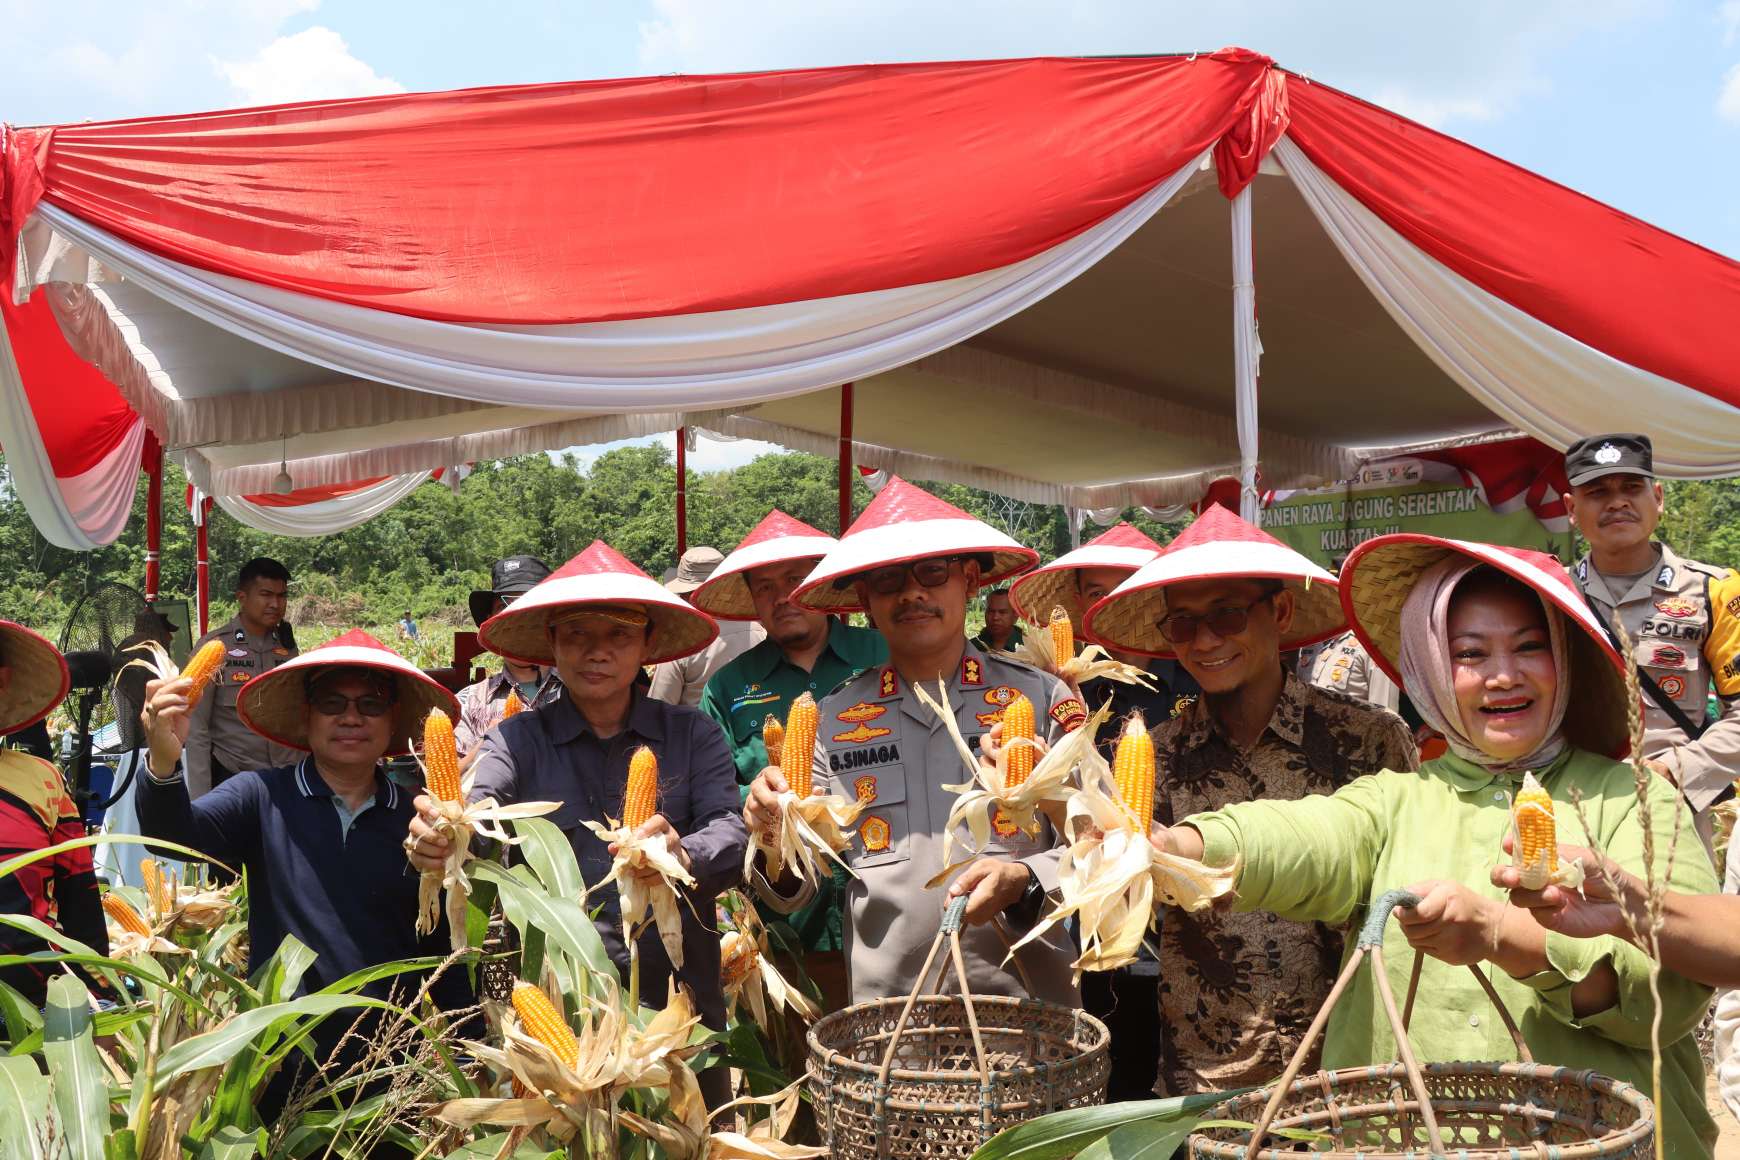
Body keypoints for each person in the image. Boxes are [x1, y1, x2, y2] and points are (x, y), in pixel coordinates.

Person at [1145, 533, 1718, 1158]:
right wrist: (1179, 845)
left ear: (1565, 660)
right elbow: (1303, 837)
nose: (1503, 675)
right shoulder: (1394, 800)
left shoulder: (1633, 799)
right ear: (1428, 670)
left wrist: (1509, 941)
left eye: (1530, 647)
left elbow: (1671, 999)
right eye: (1470, 654)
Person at [1081, 505, 1417, 1099]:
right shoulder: (1157, 754)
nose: (1204, 641)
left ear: (1280, 612)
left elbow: (1406, 891)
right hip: (1207, 1072)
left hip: (1346, 1071)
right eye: (1182, 624)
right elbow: (1119, 905)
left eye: (1227, 615)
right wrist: (1059, 798)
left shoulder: (1368, 739)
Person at [405, 541, 748, 1103]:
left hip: (678, 1003)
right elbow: (480, 811)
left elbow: (729, 833)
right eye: (577, 635)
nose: (597, 652)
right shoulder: (514, 742)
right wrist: (443, 838)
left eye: (618, 635)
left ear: (649, 644)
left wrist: (681, 857)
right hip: (562, 1008)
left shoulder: (693, 734)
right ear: (552, 644)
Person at [745, 477, 1085, 1007]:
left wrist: (1026, 876)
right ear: (863, 600)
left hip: (1027, 1008)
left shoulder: (1041, 699)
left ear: (969, 580)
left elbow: (1101, 843)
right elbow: (796, 891)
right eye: (887, 580)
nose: (912, 593)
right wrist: (770, 834)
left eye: (932, 572)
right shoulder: (831, 721)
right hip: (889, 1022)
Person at [136, 629, 473, 1116]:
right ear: (306, 715)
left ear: (394, 718)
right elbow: (178, 838)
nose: (351, 717)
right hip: (277, 1063)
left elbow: (441, 945)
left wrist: (465, 1050)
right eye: (332, 702)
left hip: (389, 1071)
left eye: (371, 704)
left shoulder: (422, 818)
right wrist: (164, 757)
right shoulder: (261, 796)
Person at [691, 510, 888, 1012]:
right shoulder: (728, 686)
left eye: (797, 579)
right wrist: (751, 800)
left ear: (823, 584)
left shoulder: (886, 654)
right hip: (789, 921)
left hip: (890, 905)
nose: (781, 596)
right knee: (799, 1064)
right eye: (764, 587)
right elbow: (712, 794)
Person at [1009, 520, 1167, 1100]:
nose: (1109, 603)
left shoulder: (1189, 672)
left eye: (1125, 586)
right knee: (1107, 1071)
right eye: (1096, 591)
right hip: (1086, 917)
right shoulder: (1053, 691)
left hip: (1177, 916)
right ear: (1076, 601)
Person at [1563, 433, 1740, 852]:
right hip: (1572, 805)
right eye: (1597, 491)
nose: (1617, 501)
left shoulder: (1715, 592)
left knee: (1674, 917)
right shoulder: (1550, 594)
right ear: (1572, 509)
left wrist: (1673, 772)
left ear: (1657, 498)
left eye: (1631, 488)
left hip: (1670, 813)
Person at [0, 621, 107, 1006]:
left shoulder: (42, 781)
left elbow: (80, 899)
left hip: (34, 1007)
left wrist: (100, 998)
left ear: (4, 681)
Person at [185, 557, 300, 799]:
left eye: (281, 596)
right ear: (242, 597)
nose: (275, 604)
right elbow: (196, 729)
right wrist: (199, 800)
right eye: (266, 594)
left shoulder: (288, 648)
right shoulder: (215, 647)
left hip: (286, 778)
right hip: (233, 777)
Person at [97, 608, 178, 888]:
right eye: (167, 633)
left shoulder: (130, 650)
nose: (170, 638)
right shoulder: (143, 653)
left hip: (137, 749)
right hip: (145, 749)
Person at [457, 556, 564, 758]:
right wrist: (490, 741)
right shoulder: (468, 703)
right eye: (505, 607)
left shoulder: (582, 692)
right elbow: (450, 782)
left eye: (529, 608)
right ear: (490, 623)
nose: (518, 620)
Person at [648, 547, 766, 707]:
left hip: (696, 730)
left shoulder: (680, 644)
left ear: (686, 595)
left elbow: (659, 708)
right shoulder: (759, 631)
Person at [969, 587, 1024, 653]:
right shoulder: (972, 647)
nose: (995, 617)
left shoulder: (1027, 648)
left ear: (1015, 616)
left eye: (1002, 612)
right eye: (991, 611)